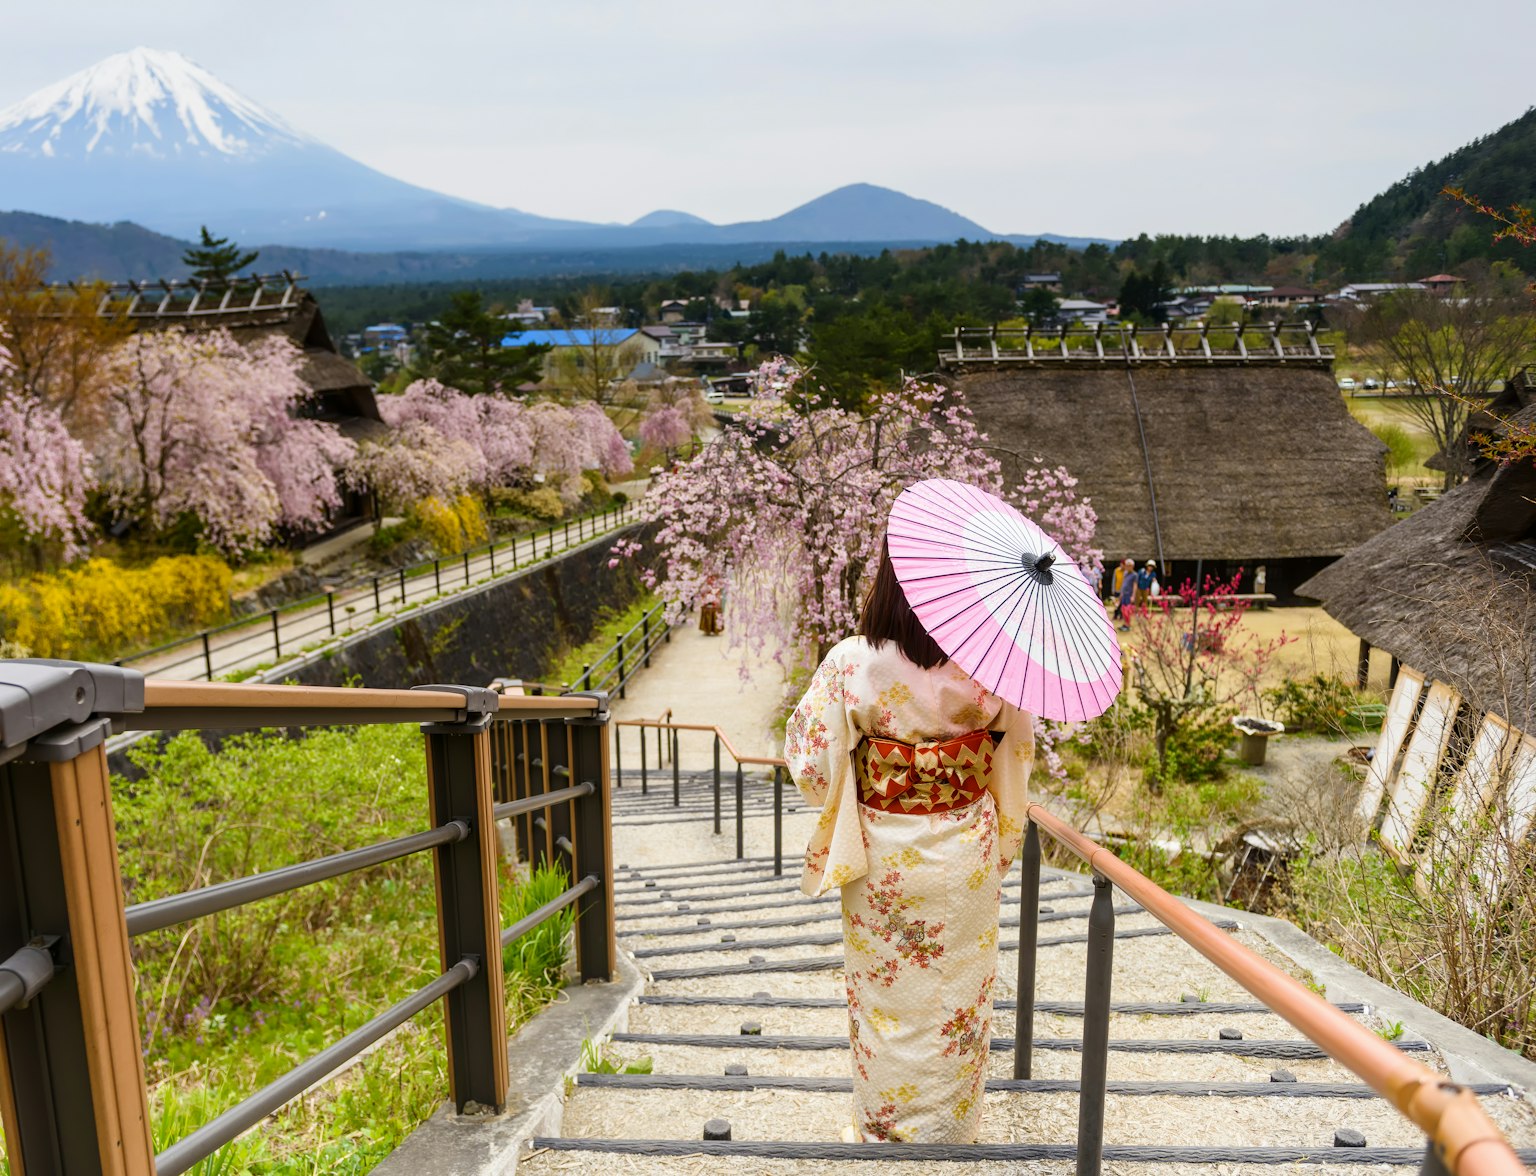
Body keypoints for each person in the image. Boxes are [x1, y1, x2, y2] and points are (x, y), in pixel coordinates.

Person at [784, 540, 1034, 1144]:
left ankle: (883, 1129)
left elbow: (809, 761)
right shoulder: (997, 666)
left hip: (881, 853)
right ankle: (952, 1131)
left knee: (884, 996)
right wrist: (1001, 842)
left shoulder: (853, 662)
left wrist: (865, 777)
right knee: (960, 998)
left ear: (890, 585)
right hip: (965, 850)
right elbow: (1018, 759)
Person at [1112, 557, 1135, 623]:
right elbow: (1114, 580)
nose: (1122, 566)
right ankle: (1115, 615)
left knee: (1122, 604)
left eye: (1123, 565)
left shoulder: (1127, 572)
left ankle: (1121, 616)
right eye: (1121, 564)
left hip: (1124, 591)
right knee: (1117, 604)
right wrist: (1113, 589)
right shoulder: (1116, 570)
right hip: (1117, 589)